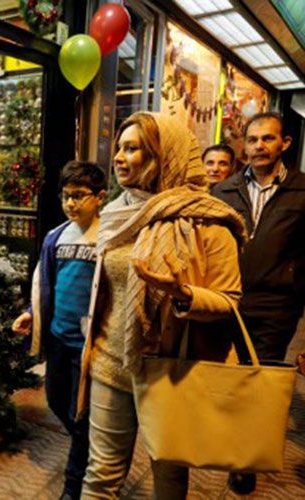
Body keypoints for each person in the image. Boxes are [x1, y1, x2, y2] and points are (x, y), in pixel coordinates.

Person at [78, 112, 246, 499]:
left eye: (132, 148)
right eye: (119, 148)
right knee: (100, 476)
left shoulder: (209, 221)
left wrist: (183, 294)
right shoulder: (116, 212)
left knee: (168, 479)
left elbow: (229, 299)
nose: (119, 157)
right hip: (109, 359)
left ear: (162, 155)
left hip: (170, 369)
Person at [212, 111, 305, 495]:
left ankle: (244, 460)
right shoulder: (223, 191)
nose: (259, 147)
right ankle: (226, 444)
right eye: (252, 140)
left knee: (258, 383)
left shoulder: (302, 191)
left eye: (267, 139)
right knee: (227, 380)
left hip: (276, 306)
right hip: (226, 302)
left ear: (284, 143)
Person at [12, 160, 107, 500]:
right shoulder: (55, 237)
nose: (70, 203)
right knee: (55, 399)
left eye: (79, 196)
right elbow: (42, 284)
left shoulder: (108, 238)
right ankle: (91, 442)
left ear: (100, 197)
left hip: (90, 346)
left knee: (80, 415)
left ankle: (73, 485)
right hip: (58, 339)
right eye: (66, 196)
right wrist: (31, 314)